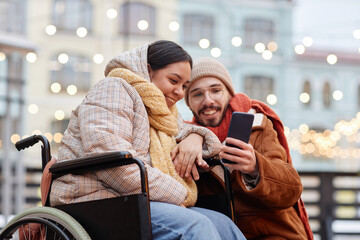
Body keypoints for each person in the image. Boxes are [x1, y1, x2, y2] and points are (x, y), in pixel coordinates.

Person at [49, 41, 245, 240]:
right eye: (173, 80)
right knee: (196, 225)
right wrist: (179, 193)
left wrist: (196, 136)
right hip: (95, 198)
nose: (179, 91)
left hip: (136, 198)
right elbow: (115, 166)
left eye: (184, 86)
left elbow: (191, 134)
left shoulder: (161, 108)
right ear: (148, 70)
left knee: (223, 224)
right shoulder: (113, 89)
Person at [181, 57, 313, 239]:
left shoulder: (258, 124)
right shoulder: (185, 138)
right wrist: (195, 135)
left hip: (276, 233)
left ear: (229, 92)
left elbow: (291, 191)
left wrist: (255, 166)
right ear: (188, 103)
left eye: (216, 90)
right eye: (197, 94)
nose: (208, 100)